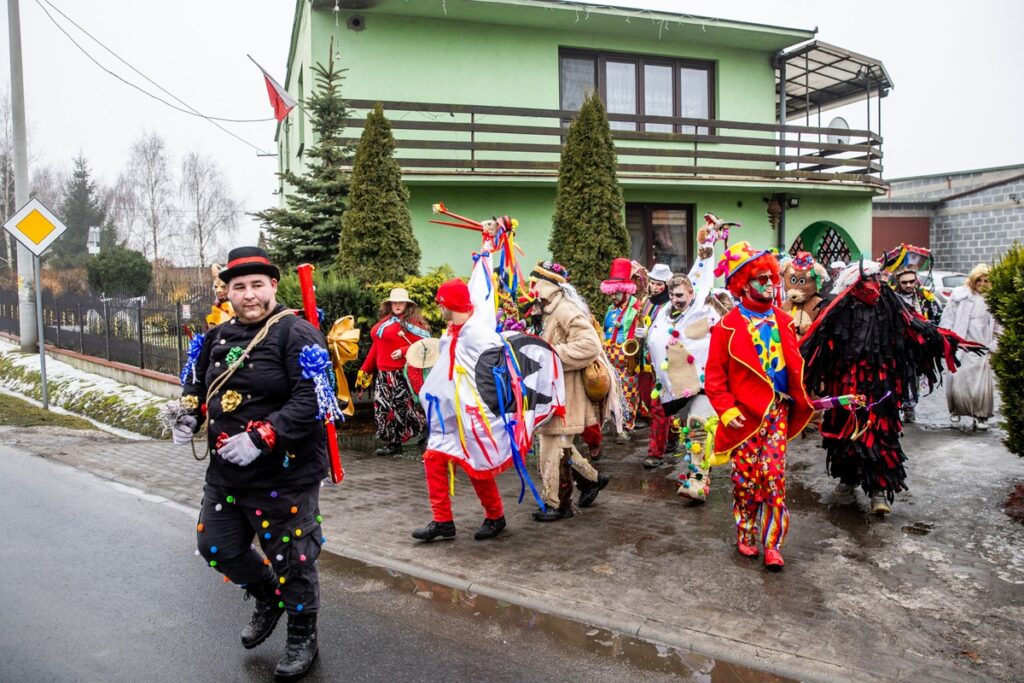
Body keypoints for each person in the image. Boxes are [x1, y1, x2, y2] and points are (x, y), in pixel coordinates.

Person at [173, 246, 327, 680]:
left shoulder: (296, 333)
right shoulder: (217, 336)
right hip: (225, 473)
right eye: (239, 287)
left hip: (285, 474)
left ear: (274, 286)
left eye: (257, 285)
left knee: (293, 560)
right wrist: (188, 414)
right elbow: (196, 383)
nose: (249, 295)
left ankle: (302, 635)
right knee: (216, 547)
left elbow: (313, 399)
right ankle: (268, 596)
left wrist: (264, 436)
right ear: (227, 293)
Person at [412, 226, 564, 542]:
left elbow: (495, 350)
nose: (438, 308)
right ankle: (443, 521)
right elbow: (479, 286)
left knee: (476, 464)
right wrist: (486, 244)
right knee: (434, 459)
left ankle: (495, 517)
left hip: (475, 414)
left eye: (441, 303)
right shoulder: (456, 328)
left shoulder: (478, 333)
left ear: (448, 305)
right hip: (450, 413)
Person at [801, 260, 985, 515]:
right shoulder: (838, 309)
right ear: (855, 285)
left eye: (876, 281)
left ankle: (879, 490)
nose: (874, 288)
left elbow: (916, 328)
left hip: (881, 386)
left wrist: (944, 340)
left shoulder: (891, 305)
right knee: (844, 432)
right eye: (867, 283)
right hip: (844, 385)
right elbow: (816, 345)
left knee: (880, 434)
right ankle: (848, 478)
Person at [704, 241, 814, 569]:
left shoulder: (784, 320)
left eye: (771, 277)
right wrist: (726, 409)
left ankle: (773, 543)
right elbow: (714, 378)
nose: (769, 284)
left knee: (774, 476)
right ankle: (746, 533)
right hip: (744, 417)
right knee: (745, 480)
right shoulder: (726, 327)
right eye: (761, 278)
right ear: (743, 283)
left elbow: (794, 366)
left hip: (778, 412)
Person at [528, 261, 610, 521]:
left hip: (567, 393)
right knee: (555, 444)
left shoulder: (566, 310)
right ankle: (592, 480)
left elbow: (590, 345)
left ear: (550, 285)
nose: (532, 288)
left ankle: (558, 504)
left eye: (536, 282)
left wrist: (550, 354)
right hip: (552, 392)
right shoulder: (547, 311)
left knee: (553, 448)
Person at [356, 288, 431, 455]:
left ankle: (426, 428)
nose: (397, 305)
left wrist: (403, 351)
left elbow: (426, 345)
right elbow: (377, 346)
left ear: (407, 305)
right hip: (383, 375)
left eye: (401, 302)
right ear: (389, 305)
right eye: (394, 302)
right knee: (384, 410)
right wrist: (365, 369)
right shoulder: (384, 323)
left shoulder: (413, 324)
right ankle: (393, 444)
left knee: (403, 409)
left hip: (401, 374)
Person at [940, 264, 1001, 430]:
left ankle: (981, 415)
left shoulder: (994, 299)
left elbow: (999, 325)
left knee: (980, 383)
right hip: (961, 343)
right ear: (972, 280)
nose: (982, 283)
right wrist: (948, 338)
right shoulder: (960, 295)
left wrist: (995, 344)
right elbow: (948, 317)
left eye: (986, 280)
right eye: (978, 280)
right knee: (958, 379)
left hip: (983, 343)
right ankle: (957, 409)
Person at [601, 258, 644, 439]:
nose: (613, 297)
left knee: (628, 390)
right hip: (610, 354)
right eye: (612, 293)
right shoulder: (611, 309)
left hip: (627, 356)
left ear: (625, 291)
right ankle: (613, 420)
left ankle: (627, 424)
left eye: (616, 293)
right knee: (612, 389)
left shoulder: (636, 307)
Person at [780, 252, 831, 338]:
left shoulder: (817, 304)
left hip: (807, 348)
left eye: (802, 282)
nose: (795, 288)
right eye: (793, 280)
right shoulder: (786, 304)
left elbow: (823, 328)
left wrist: (803, 329)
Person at [205, 263, 234, 328]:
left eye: (223, 287)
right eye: (216, 287)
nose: (218, 290)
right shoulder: (217, 305)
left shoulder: (235, 306)